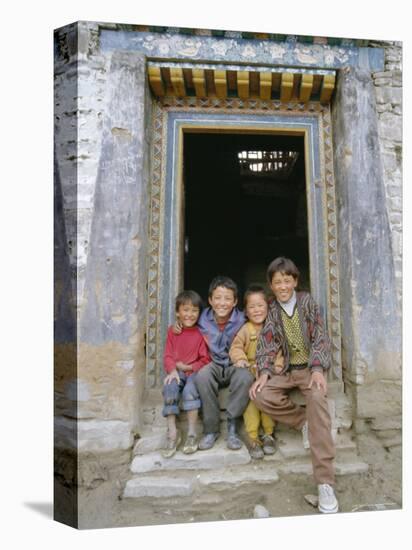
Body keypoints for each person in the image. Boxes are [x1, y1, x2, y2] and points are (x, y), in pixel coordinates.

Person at [250, 257, 339, 514]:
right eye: (277, 282)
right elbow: (266, 344)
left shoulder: (307, 303)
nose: (283, 286)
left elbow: (321, 336)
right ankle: (303, 422)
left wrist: (319, 369)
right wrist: (264, 372)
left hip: (310, 369)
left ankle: (324, 483)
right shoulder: (273, 310)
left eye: (287, 281)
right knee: (260, 394)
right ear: (271, 285)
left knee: (318, 400)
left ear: (295, 281)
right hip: (287, 370)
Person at [194, 276, 254, 451]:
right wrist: (178, 327)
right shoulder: (201, 318)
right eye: (218, 298)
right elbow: (186, 321)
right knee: (203, 376)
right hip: (212, 363)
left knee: (245, 376)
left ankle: (233, 426)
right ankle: (211, 430)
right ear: (210, 300)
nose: (222, 303)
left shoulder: (243, 319)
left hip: (235, 364)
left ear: (235, 302)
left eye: (228, 298)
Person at [229, 285, 283, 459]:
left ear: (268, 307)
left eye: (261, 306)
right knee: (251, 400)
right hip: (251, 372)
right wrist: (241, 360)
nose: (257, 310)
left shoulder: (274, 329)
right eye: (252, 307)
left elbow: (282, 351)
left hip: (269, 374)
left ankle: (268, 434)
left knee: (266, 397)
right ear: (246, 311)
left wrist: (278, 367)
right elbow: (235, 348)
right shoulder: (246, 329)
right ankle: (252, 437)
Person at [161, 290, 210, 458]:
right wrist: (173, 369)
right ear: (177, 312)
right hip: (177, 371)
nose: (190, 314)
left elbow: (205, 359)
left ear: (199, 313)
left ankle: (191, 433)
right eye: (185, 310)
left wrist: (189, 367)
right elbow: (167, 355)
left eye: (194, 310)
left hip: (193, 372)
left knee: (190, 391)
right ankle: (173, 432)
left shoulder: (201, 333)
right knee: (170, 386)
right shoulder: (172, 331)